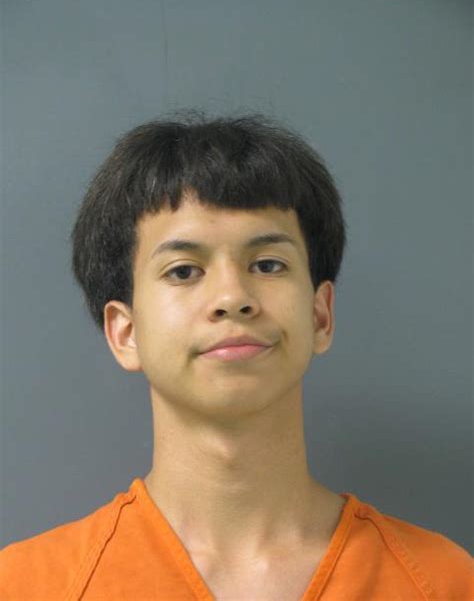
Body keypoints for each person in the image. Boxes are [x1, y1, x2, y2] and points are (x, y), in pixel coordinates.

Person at [0, 110, 472, 600]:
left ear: (320, 315)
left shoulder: (444, 583)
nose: (232, 297)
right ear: (125, 332)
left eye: (267, 264)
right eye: (183, 271)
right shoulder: (27, 586)